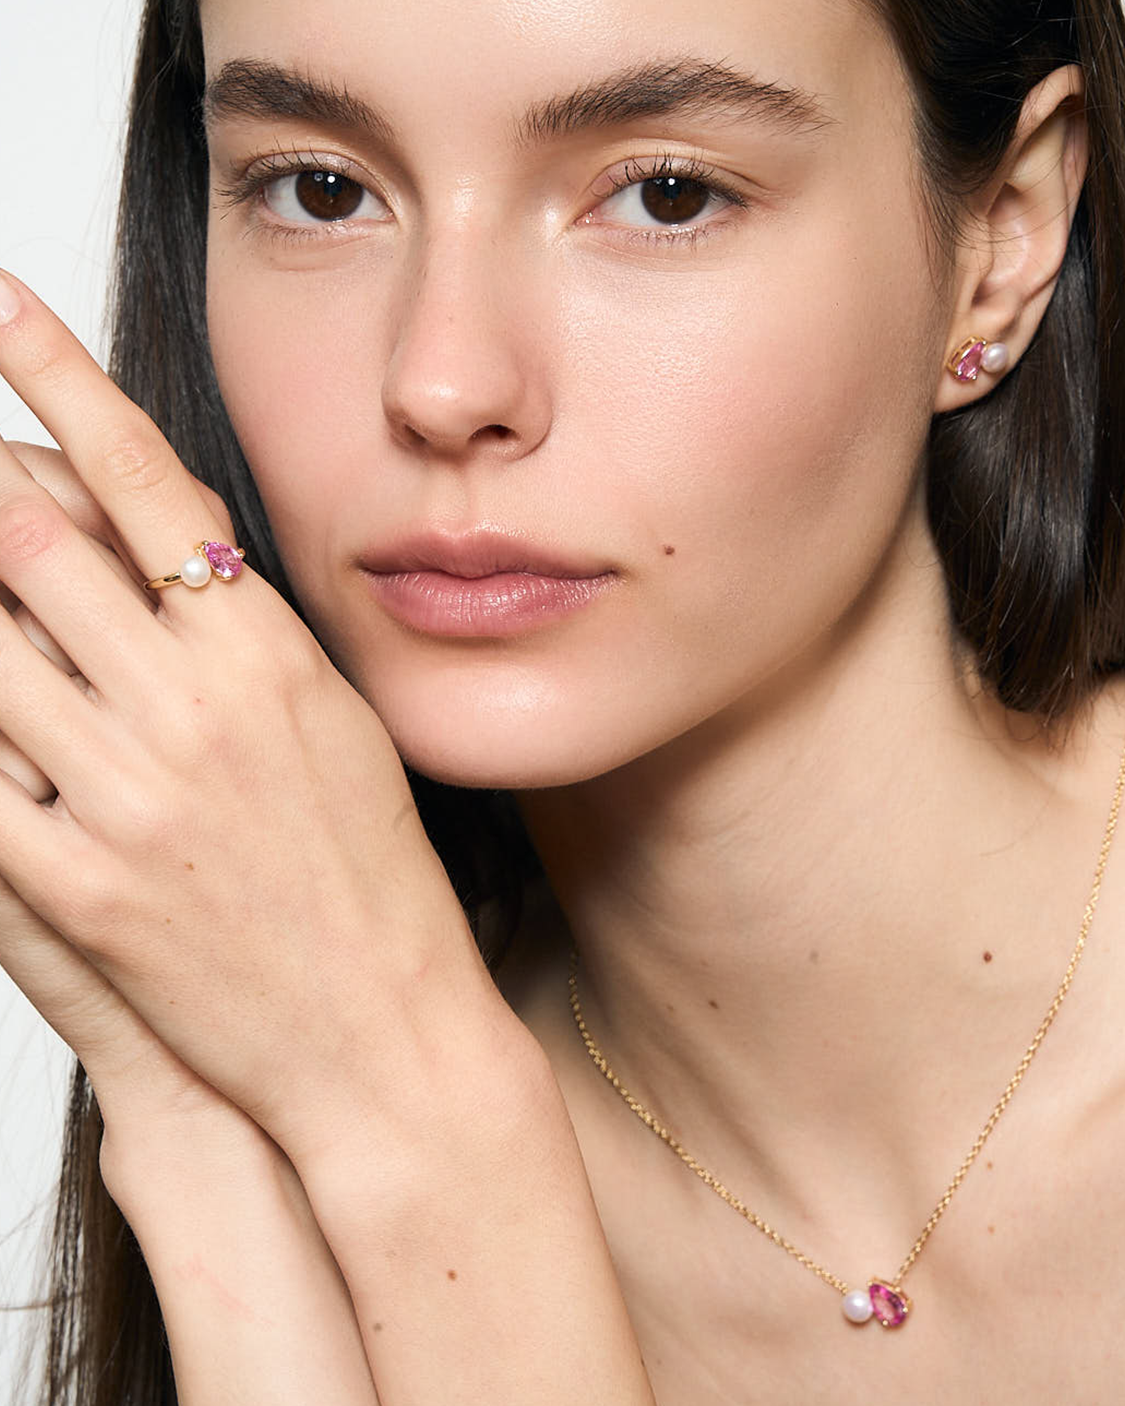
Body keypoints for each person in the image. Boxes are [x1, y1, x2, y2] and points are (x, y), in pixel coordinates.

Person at [2, 0, 1125, 1400]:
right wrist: (197, 1110)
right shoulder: (291, 1091)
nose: (443, 380)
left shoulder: (375, 1081)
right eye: (323, 189)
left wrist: (420, 1123)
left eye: (664, 195)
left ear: (1002, 239)